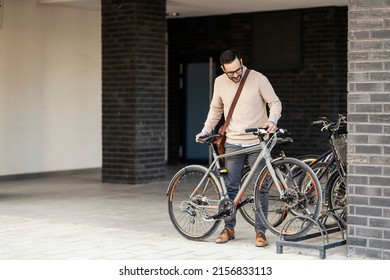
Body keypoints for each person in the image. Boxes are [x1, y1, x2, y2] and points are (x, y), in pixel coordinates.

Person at [196, 49, 282, 247]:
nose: (235, 75)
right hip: (233, 142)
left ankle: (261, 232)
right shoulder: (219, 82)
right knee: (230, 188)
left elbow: (274, 103)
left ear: (241, 62)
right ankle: (228, 228)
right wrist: (205, 130)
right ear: (222, 69)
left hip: (256, 142)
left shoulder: (258, 78)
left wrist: (272, 120)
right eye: (230, 73)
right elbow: (216, 109)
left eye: (238, 70)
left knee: (260, 189)